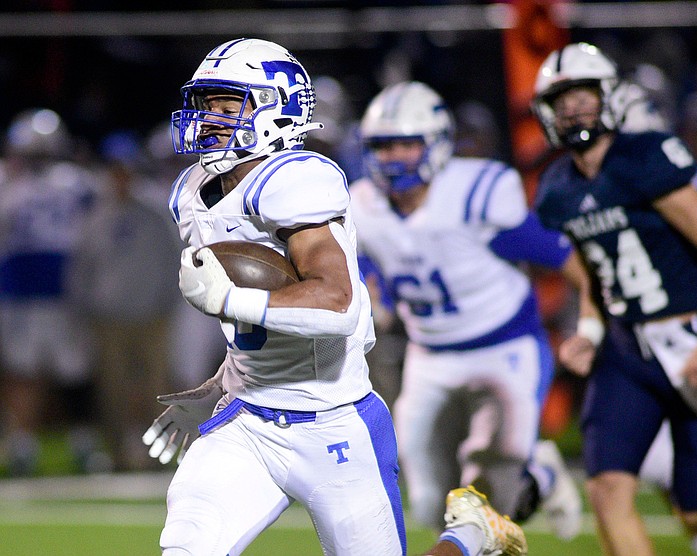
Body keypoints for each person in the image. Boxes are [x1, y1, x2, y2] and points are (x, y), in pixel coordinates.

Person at [531, 41, 697, 556]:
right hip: (626, 348)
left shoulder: (645, 157)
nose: (571, 108)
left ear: (608, 97)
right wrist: (588, 330)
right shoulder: (557, 187)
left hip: (690, 336)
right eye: (560, 99)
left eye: (581, 96)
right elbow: (594, 268)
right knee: (607, 490)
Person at [148, 38, 405, 555]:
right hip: (249, 423)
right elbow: (256, 327)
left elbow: (337, 305)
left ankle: (469, 537)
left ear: (278, 109)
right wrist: (220, 383)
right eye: (206, 105)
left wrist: (232, 301)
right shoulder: (193, 190)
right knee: (186, 545)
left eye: (229, 105)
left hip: (335, 424)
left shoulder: (296, 180)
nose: (212, 119)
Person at [350, 80, 582, 539]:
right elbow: (370, 267)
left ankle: (538, 475)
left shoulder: (477, 190)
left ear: (435, 145)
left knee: (490, 490)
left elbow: (559, 254)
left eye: (406, 144)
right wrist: (378, 298)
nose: (393, 156)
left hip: (503, 346)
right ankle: (535, 478)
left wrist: (590, 322)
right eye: (382, 145)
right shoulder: (362, 204)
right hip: (429, 353)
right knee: (430, 501)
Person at [68, 130, 182, 471]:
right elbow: (81, 266)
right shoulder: (95, 214)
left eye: (126, 168)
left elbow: (176, 259)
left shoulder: (156, 210)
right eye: (116, 169)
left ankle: (161, 455)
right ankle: (118, 456)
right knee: (112, 390)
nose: (121, 175)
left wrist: (169, 302)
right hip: (108, 317)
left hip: (153, 314)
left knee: (157, 387)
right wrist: (85, 308)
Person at [0, 108, 100, 475]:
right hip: (21, 292)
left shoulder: (76, 182)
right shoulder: (15, 182)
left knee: (72, 373)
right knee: (24, 373)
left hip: (61, 291)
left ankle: (82, 444)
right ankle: (24, 447)